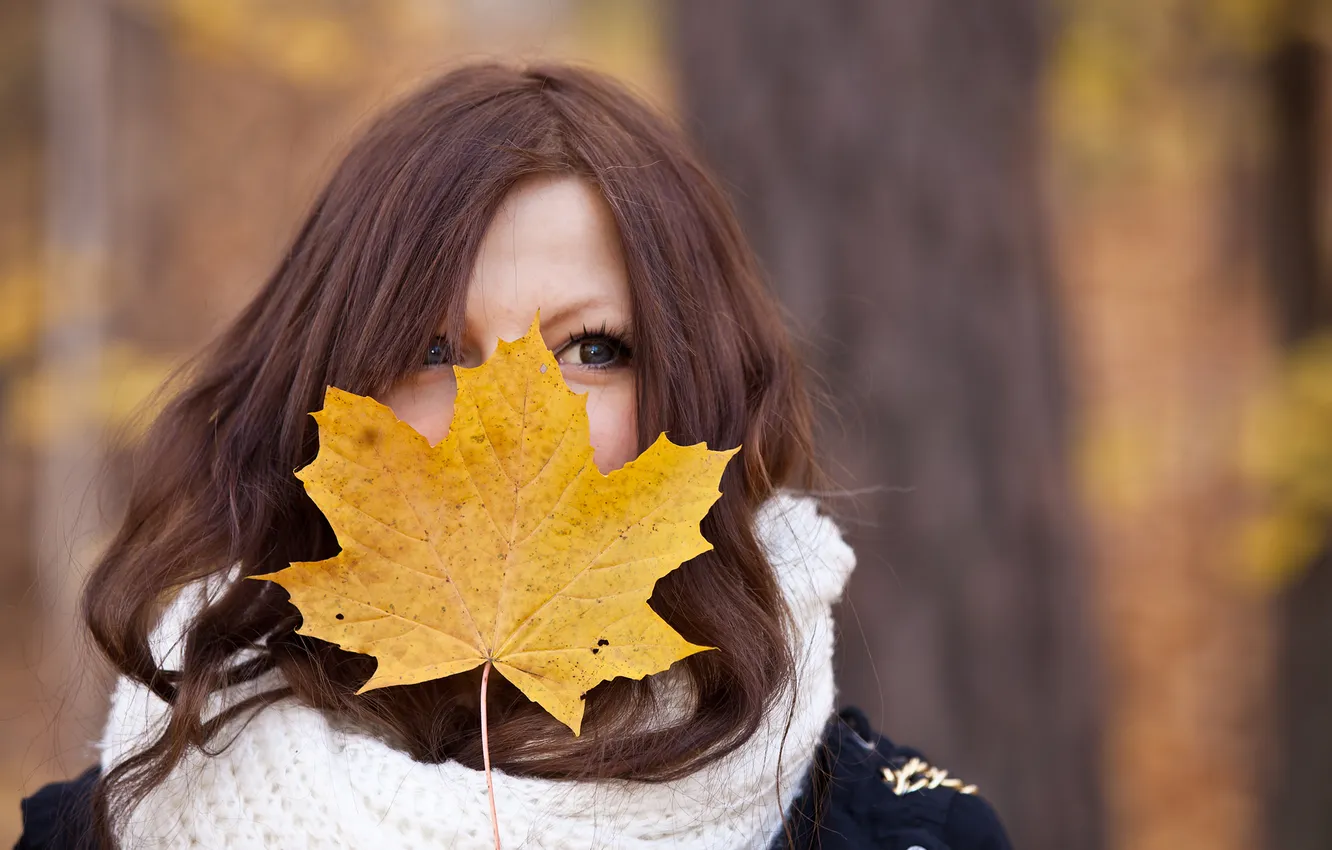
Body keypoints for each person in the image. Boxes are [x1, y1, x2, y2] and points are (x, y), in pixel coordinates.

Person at [17, 63, 1012, 850]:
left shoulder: (904, 832)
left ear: (698, 397)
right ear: (328, 391)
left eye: (593, 350)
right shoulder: (113, 824)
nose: (510, 421)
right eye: (436, 349)